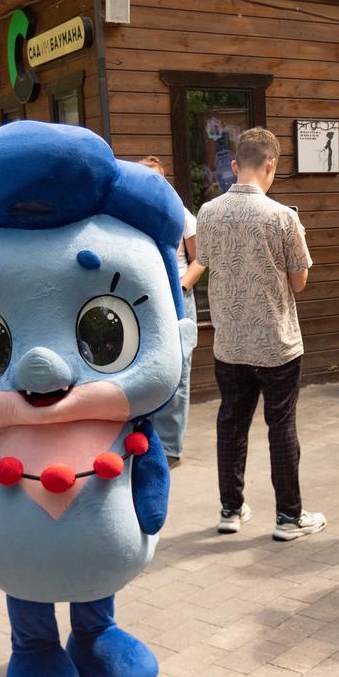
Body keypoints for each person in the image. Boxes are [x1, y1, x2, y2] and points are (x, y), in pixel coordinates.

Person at [197, 128, 327, 541]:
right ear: (270, 164)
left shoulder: (208, 213)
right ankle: (288, 517)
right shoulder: (283, 217)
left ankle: (230, 509)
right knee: (281, 427)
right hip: (276, 342)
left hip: (229, 342)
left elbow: (205, 261)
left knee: (231, 424)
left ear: (236, 165)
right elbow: (299, 283)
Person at [139, 155, 203, 463]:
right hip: (145, 299)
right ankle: (144, 442)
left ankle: (169, 449)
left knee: (179, 370)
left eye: (157, 179)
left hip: (178, 298)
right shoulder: (131, 213)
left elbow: (200, 258)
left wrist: (183, 287)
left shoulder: (180, 213)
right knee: (145, 367)